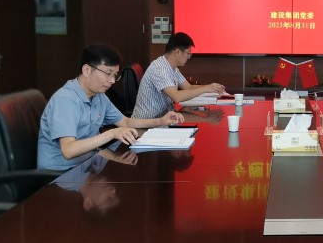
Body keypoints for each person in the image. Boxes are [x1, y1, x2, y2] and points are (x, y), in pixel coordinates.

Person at [38, 44, 184, 171]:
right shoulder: (66, 100)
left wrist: (160, 121)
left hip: (86, 165)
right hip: (59, 175)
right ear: (87, 70)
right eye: (108, 74)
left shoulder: (99, 96)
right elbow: (69, 150)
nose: (112, 81)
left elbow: (125, 122)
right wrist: (112, 133)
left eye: (115, 75)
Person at [132, 32, 226, 119]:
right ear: (177, 52)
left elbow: (188, 87)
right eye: (188, 53)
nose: (189, 57)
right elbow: (177, 96)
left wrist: (211, 87)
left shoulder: (172, 68)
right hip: (146, 125)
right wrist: (206, 89)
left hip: (164, 119)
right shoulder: (159, 69)